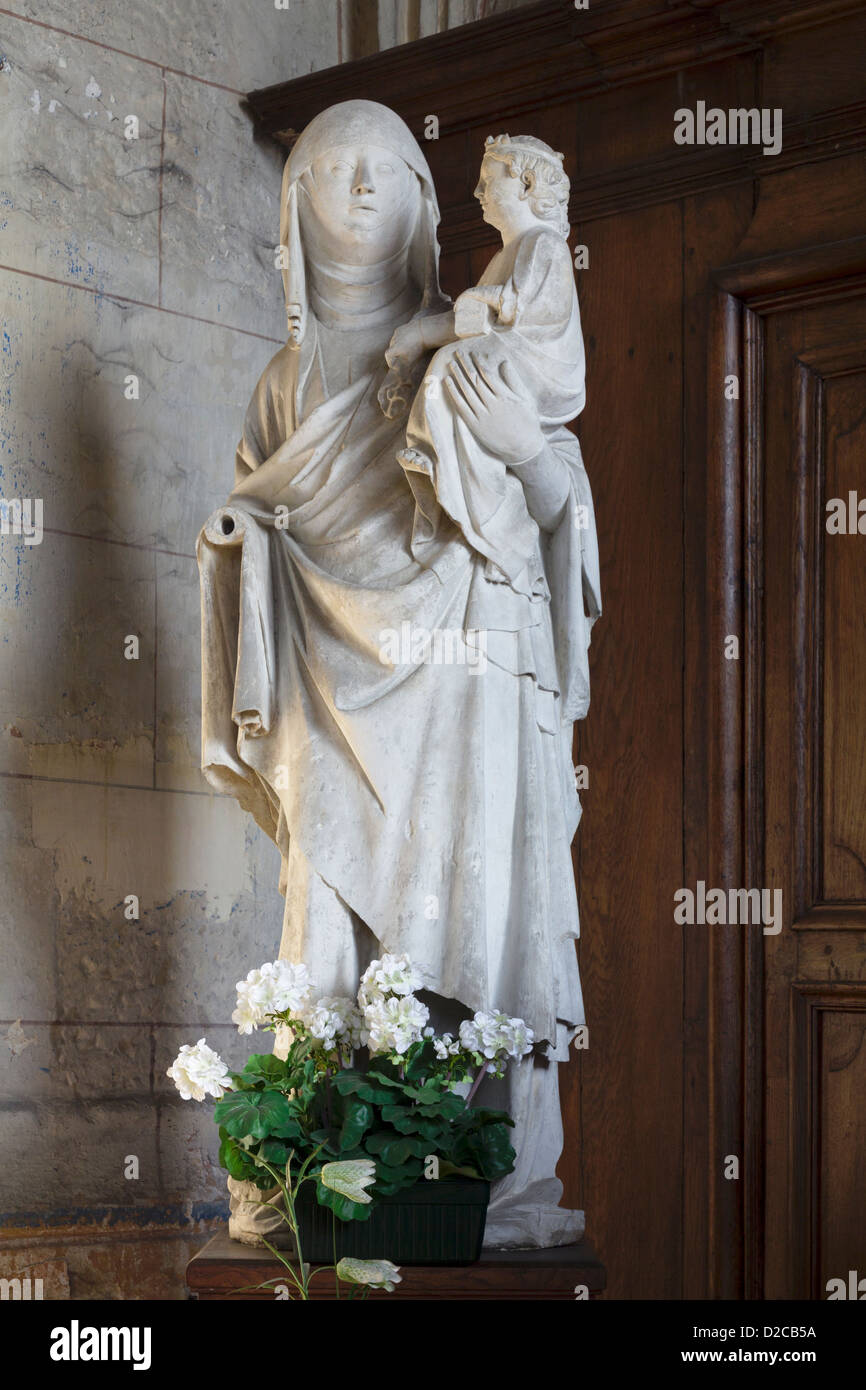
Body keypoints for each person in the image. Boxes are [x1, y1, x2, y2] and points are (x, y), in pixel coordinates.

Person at [197, 100, 601, 1249]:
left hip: (467, 664)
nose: (362, 188)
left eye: (386, 169)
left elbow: (560, 504)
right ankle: (311, 1167)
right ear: (296, 212)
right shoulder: (283, 380)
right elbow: (264, 510)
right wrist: (236, 541)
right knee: (319, 917)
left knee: (483, 901)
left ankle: (495, 1172)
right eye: (333, 171)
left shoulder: (482, 334)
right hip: (327, 684)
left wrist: (529, 459)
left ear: (425, 206)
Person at [383, 134, 584, 596]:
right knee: (453, 365)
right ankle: (453, 471)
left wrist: (475, 309)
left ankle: (477, 496)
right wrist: (426, 332)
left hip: (538, 365)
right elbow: (475, 319)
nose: (477, 195)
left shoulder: (545, 245)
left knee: (454, 366)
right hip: (509, 359)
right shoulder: (504, 255)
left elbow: (533, 309)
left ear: (528, 185)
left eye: (488, 184)